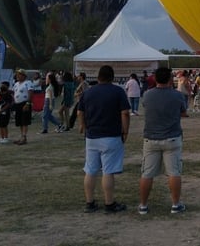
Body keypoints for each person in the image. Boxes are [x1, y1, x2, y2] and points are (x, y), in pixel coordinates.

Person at [78, 65, 130, 213]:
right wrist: (125, 131)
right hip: (111, 136)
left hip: (92, 136)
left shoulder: (88, 92)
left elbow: (79, 111)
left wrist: (82, 125)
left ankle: (89, 202)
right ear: (112, 77)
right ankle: (109, 203)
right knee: (108, 171)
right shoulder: (118, 91)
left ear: (98, 77)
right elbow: (125, 113)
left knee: (90, 170)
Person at [138, 67, 188, 215]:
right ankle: (175, 204)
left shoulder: (147, 95)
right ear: (170, 79)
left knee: (147, 173)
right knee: (174, 172)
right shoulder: (177, 95)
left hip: (151, 138)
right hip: (172, 138)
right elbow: (183, 112)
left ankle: (143, 205)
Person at [11, 69, 32, 145]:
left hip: (24, 103)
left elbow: (30, 93)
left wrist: (28, 103)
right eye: (17, 74)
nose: (17, 76)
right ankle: (22, 137)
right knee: (20, 122)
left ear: (23, 76)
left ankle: (24, 137)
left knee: (24, 121)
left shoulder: (28, 83)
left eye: (19, 74)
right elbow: (14, 92)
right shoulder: (16, 84)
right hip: (18, 104)